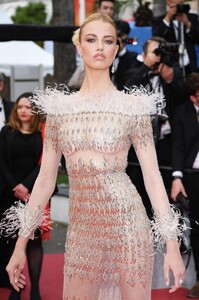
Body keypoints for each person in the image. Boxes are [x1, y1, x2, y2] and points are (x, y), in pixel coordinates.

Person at [1, 13, 186, 300]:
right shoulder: (60, 109)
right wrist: (20, 243)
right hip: (82, 231)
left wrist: (172, 245)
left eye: (108, 41)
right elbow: (46, 180)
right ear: (79, 47)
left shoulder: (132, 106)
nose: (99, 47)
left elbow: (152, 178)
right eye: (91, 39)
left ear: (116, 49)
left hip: (128, 224)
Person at [124, 36, 186, 210]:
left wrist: (170, 80)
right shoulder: (135, 72)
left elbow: (183, 99)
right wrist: (145, 66)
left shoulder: (172, 72)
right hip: (140, 143)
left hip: (166, 141)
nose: (158, 56)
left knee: (163, 193)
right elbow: (127, 90)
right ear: (144, 55)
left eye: (161, 52)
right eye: (154, 52)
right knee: (140, 192)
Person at [0, 92, 43, 300]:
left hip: (34, 195)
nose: (23, 110)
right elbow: (1, 162)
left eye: (28, 107)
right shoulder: (6, 132)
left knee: (34, 241)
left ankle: (35, 289)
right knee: (12, 241)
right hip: (10, 193)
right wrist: (15, 185)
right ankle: (16, 288)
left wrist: (26, 186)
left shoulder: (41, 134)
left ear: (35, 111)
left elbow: (44, 164)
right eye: (20, 107)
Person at [171, 72, 199, 298]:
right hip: (194, 176)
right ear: (193, 98)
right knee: (198, 230)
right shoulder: (182, 114)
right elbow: (178, 147)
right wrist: (177, 177)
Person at [152, 0, 199, 78]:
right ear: (168, 1)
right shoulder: (159, 20)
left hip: (189, 65)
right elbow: (156, 39)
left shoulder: (192, 17)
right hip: (169, 65)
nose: (179, 0)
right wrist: (167, 18)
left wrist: (187, 24)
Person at [111, 20, 138, 91]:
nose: (118, 39)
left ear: (126, 37)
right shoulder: (106, 58)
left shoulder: (134, 58)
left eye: (120, 35)